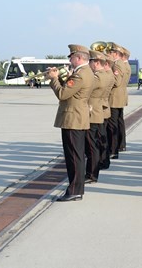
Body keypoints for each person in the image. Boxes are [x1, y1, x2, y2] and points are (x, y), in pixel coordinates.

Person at [47, 44, 94, 202]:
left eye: (71, 57)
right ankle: (76, 189)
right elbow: (69, 89)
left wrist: (54, 79)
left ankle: (74, 190)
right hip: (76, 117)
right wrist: (59, 78)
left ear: (79, 57)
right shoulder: (83, 72)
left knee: (74, 157)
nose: (70, 59)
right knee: (76, 155)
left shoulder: (80, 74)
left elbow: (63, 93)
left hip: (73, 118)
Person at [84, 49, 108, 184]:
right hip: (97, 111)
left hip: (92, 113)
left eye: (91, 61)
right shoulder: (103, 74)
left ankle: (92, 174)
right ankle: (92, 172)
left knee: (92, 146)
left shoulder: (97, 77)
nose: (89, 64)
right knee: (94, 144)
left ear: (97, 62)